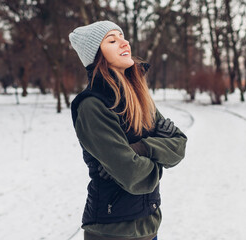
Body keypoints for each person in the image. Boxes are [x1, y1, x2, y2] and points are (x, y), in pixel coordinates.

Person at [68, 20, 187, 240]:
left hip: (148, 226)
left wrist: (140, 148)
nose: (125, 43)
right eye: (112, 40)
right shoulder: (92, 105)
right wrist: (159, 161)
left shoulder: (138, 97)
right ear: (96, 56)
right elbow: (133, 175)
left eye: (122, 37)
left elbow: (179, 144)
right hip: (112, 231)